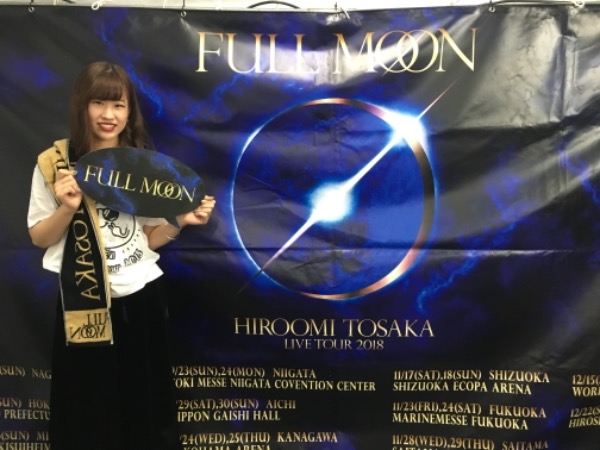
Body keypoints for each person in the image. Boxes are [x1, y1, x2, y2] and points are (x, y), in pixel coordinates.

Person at [27, 61, 215, 450]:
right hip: (83, 301)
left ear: (129, 111)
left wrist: (181, 221)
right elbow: (40, 238)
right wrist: (67, 208)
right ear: (82, 104)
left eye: (118, 105)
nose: (108, 115)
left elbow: (147, 239)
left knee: (145, 405)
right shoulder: (54, 164)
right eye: (99, 102)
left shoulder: (142, 165)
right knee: (86, 406)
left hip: (141, 298)